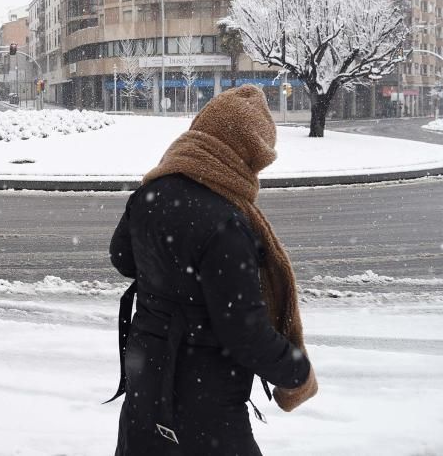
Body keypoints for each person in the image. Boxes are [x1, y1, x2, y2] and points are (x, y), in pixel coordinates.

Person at [109, 85, 316, 455]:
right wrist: (296, 372)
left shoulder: (151, 191)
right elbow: (245, 333)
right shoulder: (226, 224)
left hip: (146, 381)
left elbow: (122, 259)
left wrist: (168, 284)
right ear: (249, 153)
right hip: (204, 404)